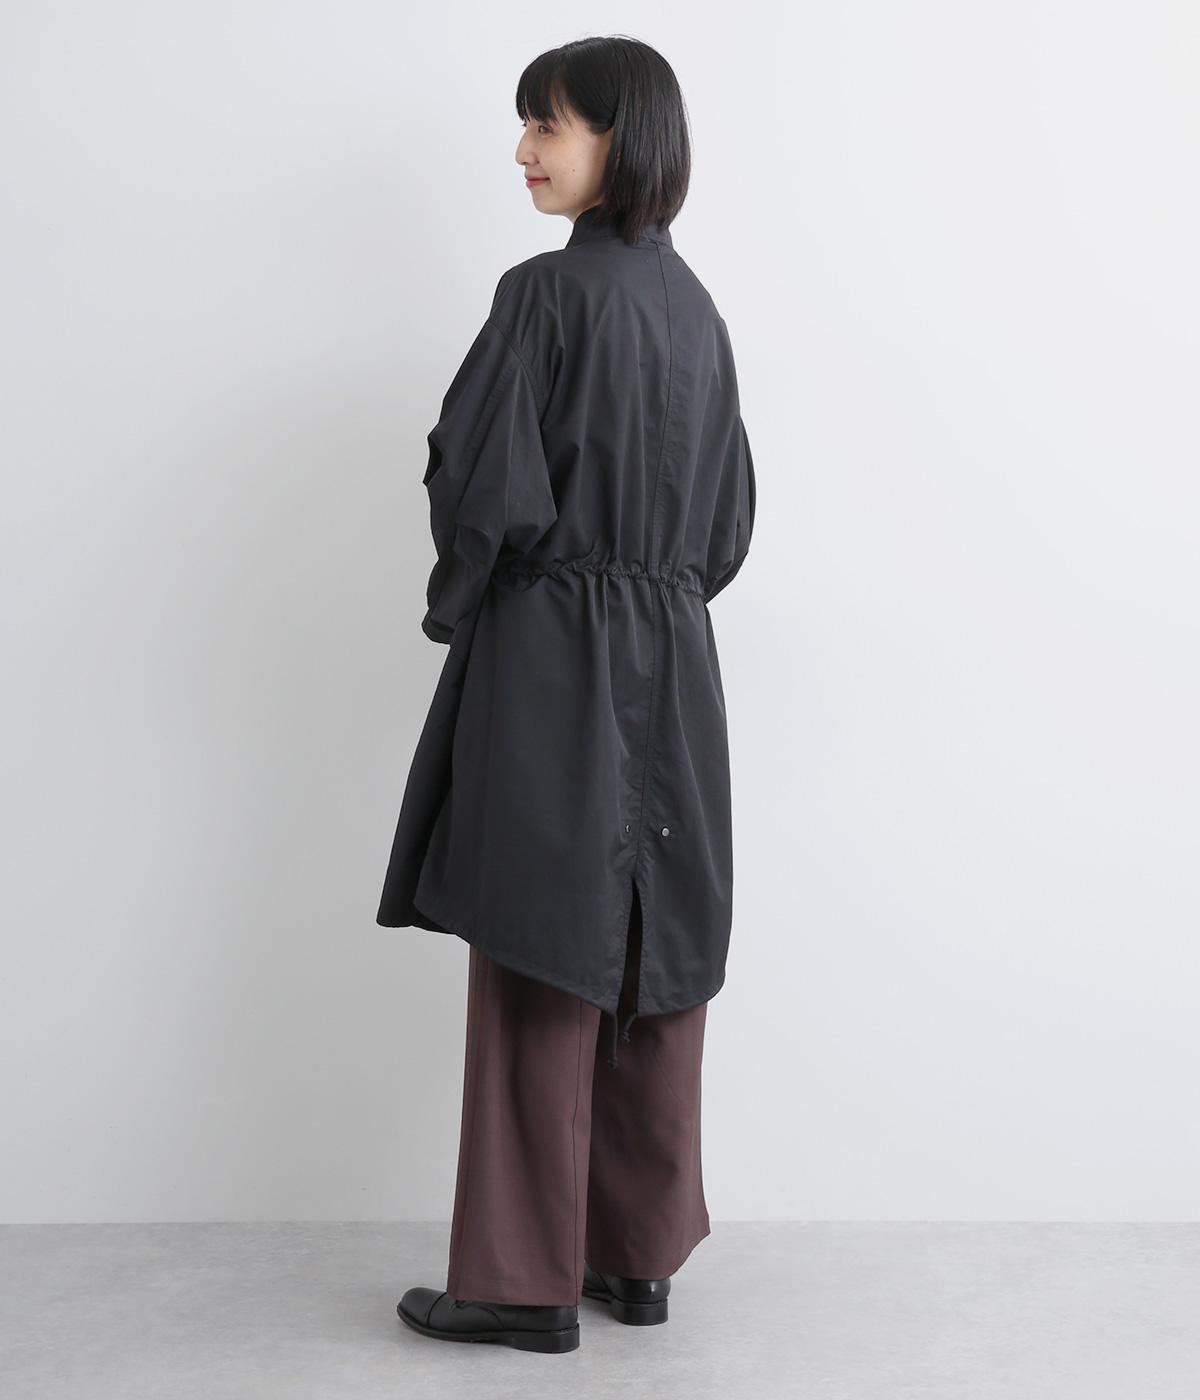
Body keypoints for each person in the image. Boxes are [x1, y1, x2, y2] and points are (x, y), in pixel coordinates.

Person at [380, 35, 756, 1354]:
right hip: (676, 665)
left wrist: (475, 605)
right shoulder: (701, 314)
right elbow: (726, 531)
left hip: (555, 655)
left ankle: (519, 1279)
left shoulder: (542, 296)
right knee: (654, 944)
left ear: (621, 139)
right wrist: (651, 593)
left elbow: (482, 491)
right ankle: (634, 1259)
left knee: (538, 947)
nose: (526, 149)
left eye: (550, 124)